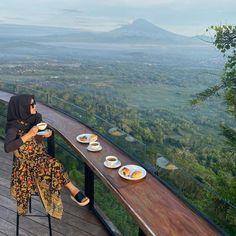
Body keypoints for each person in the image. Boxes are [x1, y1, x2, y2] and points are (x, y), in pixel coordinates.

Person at [4, 94, 89, 219]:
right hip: (25, 165)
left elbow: (38, 139)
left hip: (39, 156)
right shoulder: (13, 127)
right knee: (54, 164)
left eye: (35, 103)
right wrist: (28, 135)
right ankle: (74, 191)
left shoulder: (35, 118)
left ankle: (73, 190)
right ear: (22, 108)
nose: (35, 106)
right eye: (31, 105)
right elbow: (7, 148)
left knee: (53, 164)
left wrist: (45, 134)